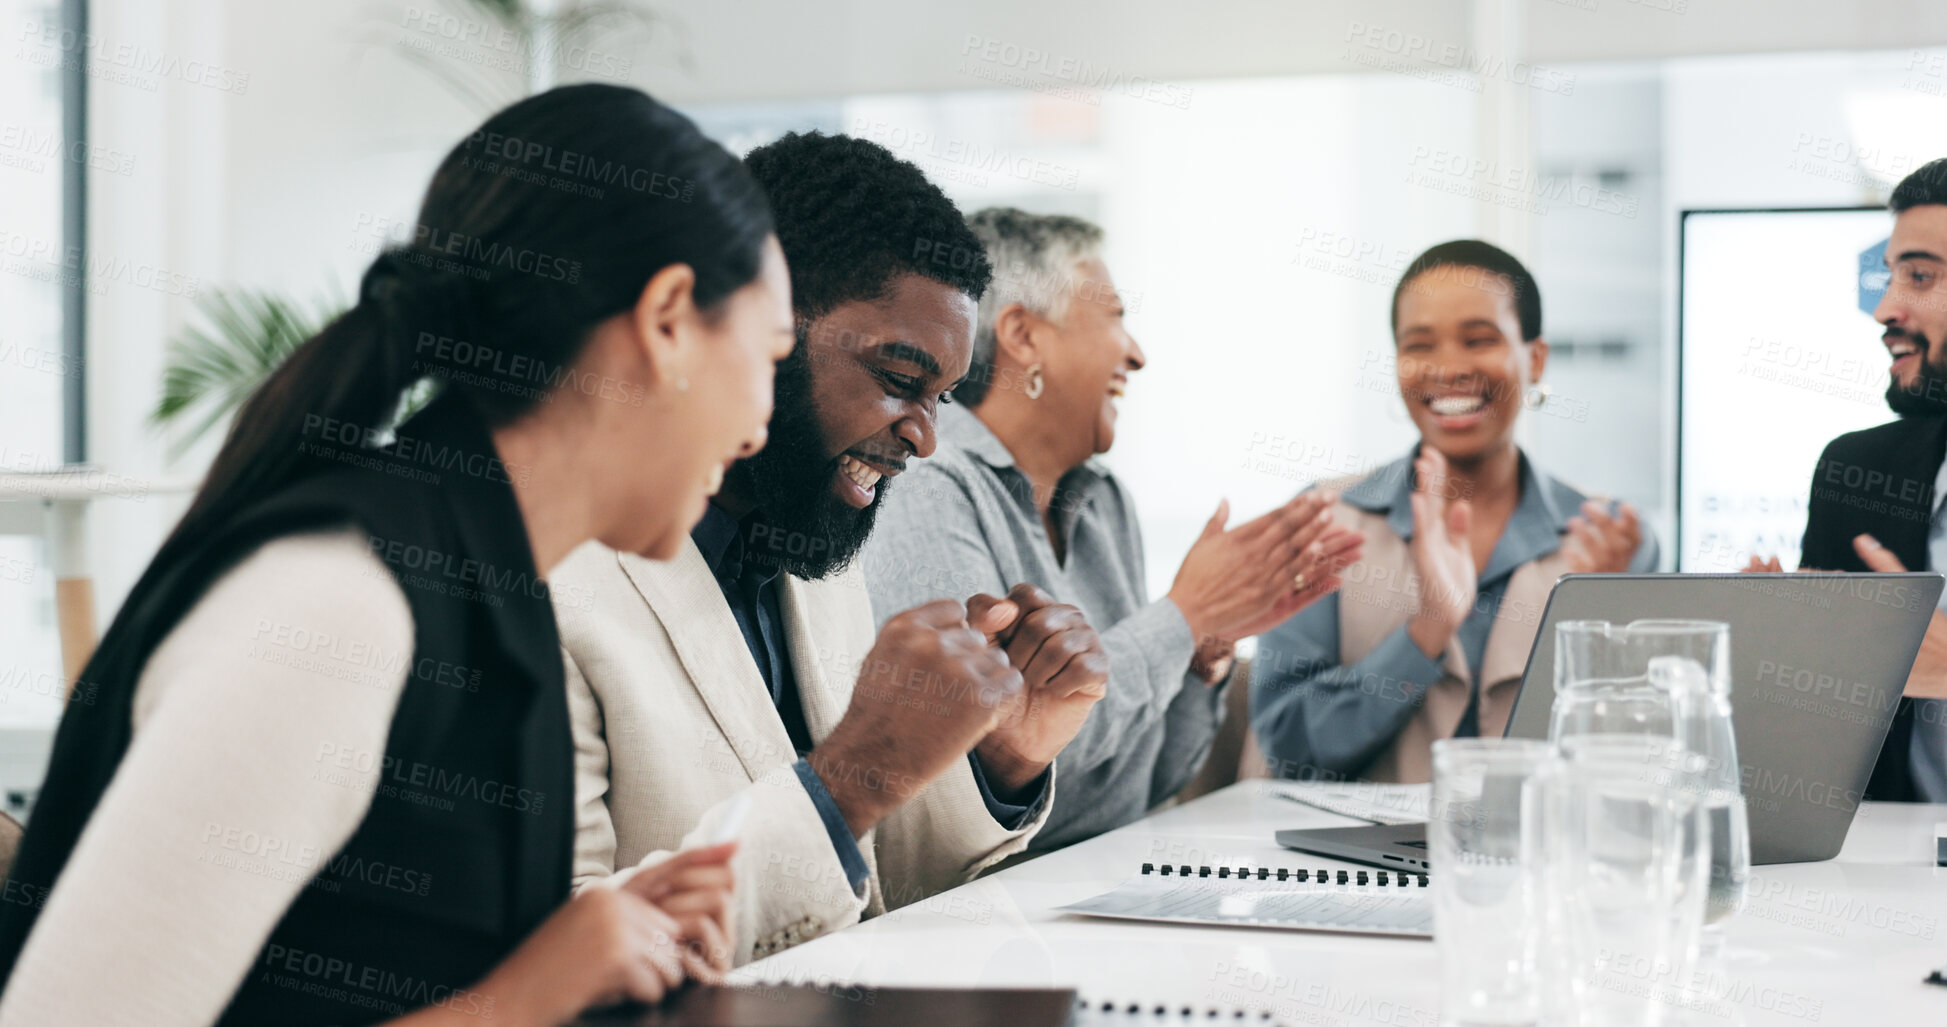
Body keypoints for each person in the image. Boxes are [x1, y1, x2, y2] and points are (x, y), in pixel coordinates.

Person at [0, 84, 789, 1026]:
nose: (759, 428)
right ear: (666, 319)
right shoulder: (341, 605)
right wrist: (524, 995)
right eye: (771, 354)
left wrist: (578, 948)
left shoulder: (491, 584)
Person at [550, 134, 1109, 964]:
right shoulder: (547, 573)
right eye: (897, 377)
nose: (924, 438)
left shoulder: (816, 556)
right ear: (754, 323)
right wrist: (854, 772)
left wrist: (1004, 752)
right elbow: (556, 962)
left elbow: (875, 889)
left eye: (942, 396)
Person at [861, 208, 1363, 853]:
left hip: (1106, 878)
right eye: (1115, 319)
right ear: (1023, 336)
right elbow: (981, 785)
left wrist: (1195, 655)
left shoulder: (1105, 501)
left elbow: (1147, 784)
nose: (1137, 353)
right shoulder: (926, 484)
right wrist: (1183, 616)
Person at [1252, 240, 1657, 784]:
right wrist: (1428, 630)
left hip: (1542, 862)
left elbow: (1640, 761)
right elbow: (1290, 748)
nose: (1448, 368)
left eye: (1479, 339)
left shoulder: (1613, 539)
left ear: (1535, 359)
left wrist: (1605, 633)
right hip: (1363, 866)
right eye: (1419, 344)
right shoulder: (1323, 519)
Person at [1747, 158, 1947, 801]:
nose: (1885, 308)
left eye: (1919, 276)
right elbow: (1809, 763)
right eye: (1890, 277)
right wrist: (1780, 659)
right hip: (1887, 877)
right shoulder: (1858, 474)